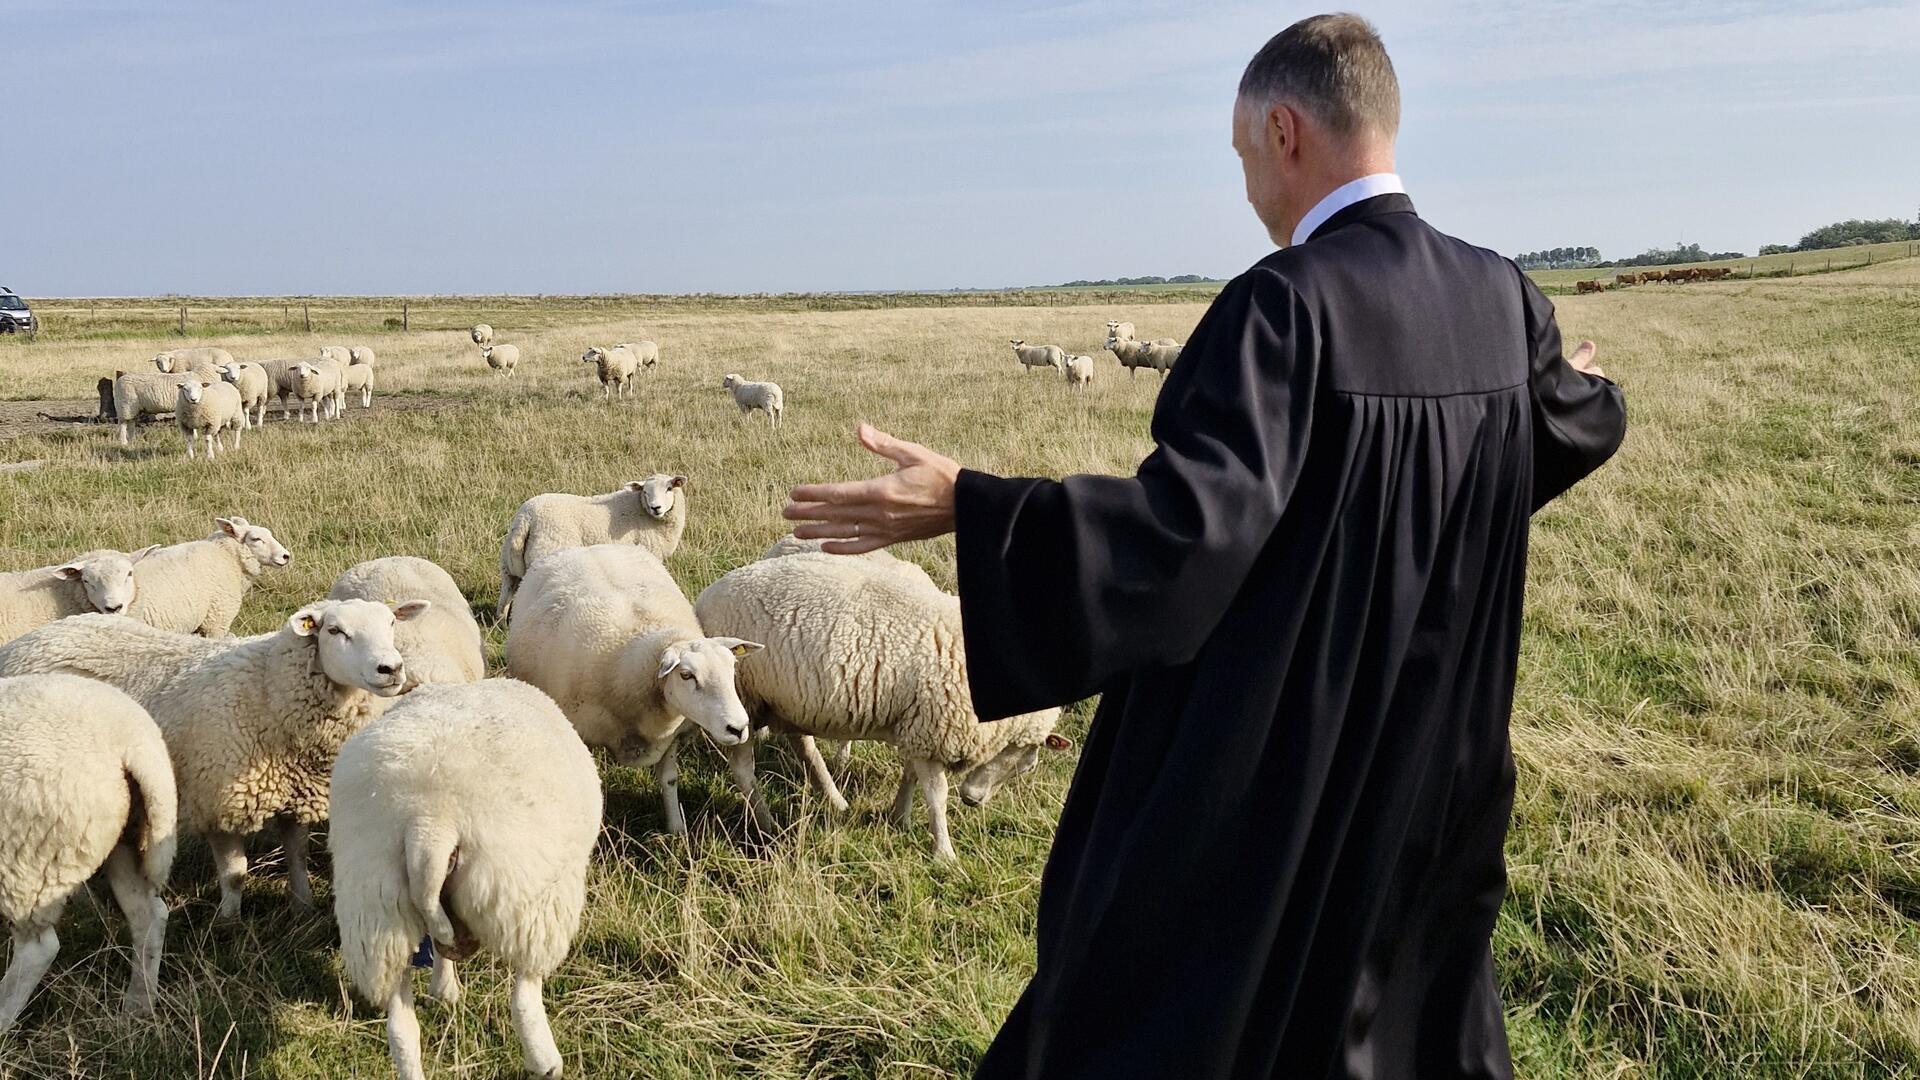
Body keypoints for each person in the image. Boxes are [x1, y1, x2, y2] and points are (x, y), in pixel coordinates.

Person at [784, 12, 1626, 1079]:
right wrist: (1552, 388)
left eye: (1239, 157)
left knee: (1184, 1013)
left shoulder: (1282, 309)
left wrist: (972, 504)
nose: (1245, 188)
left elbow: (1182, 541)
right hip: (1434, 766)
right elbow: (1571, 423)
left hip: (1282, 773)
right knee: (1399, 1013)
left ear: (1284, 134)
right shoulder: (1502, 298)